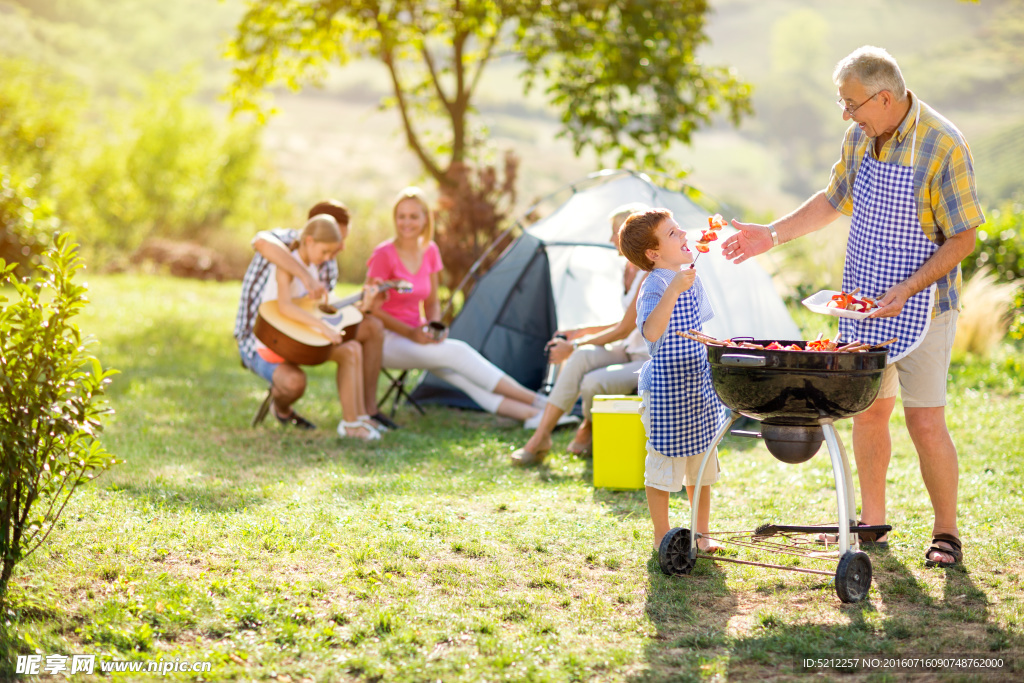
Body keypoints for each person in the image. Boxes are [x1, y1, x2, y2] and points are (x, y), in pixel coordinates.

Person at [720, 46, 983, 567]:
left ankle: (946, 534)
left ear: (884, 97)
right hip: (862, 302)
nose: (847, 114)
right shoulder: (862, 135)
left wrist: (907, 288)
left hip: (924, 304)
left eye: (852, 104)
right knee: (867, 412)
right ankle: (871, 524)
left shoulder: (943, 144)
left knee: (925, 422)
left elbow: (964, 239)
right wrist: (770, 236)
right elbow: (833, 198)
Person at [365, 187, 547, 421]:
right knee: (458, 352)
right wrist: (411, 334)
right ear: (395, 219)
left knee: (457, 373)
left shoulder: (429, 251)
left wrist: (433, 328)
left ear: (425, 219)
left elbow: (431, 302)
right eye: (401, 216)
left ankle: (533, 415)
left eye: (413, 216)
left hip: (418, 337)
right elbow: (370, 307)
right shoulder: (383, 254)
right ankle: (541, 402)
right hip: (386, 341)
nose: (406, 222)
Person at [235, 200, 397, 437]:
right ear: (310, 239)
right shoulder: (287, 260)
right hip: (274, 341)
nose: (331, 256)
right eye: (327, 251)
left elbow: (323, 310)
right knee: (300, 376)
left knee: (351, 349)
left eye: (334, 250)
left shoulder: (318, 264)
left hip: (303, 336)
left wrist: (365, 305)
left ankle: (355, 421)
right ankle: (289, 410)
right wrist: (322, 326)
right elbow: (286, 308)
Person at [511, 203, 651, 466]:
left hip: (645, 359)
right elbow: (624, 321)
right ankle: (541, 437)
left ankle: (587, 426)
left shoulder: (647, 273)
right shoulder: (628, 269)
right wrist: (579, 334)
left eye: (615, 232)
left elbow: (624, 328)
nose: (610, 239)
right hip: (627, 350)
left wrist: (572, 346)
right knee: (582, 358)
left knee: (591, 381)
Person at [618, 208, 725, 553]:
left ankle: (701, 532)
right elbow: (650, 331)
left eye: (681, 231)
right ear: (653, 253)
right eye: (674, 234)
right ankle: (662, 535)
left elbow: (696, 328)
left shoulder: (688, 277)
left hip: (697, 384)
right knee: (663, 463)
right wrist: (673, 292)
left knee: (702, 465)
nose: (684, 237)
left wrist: (715, 346)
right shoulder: (655, 285)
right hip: (666, 388)